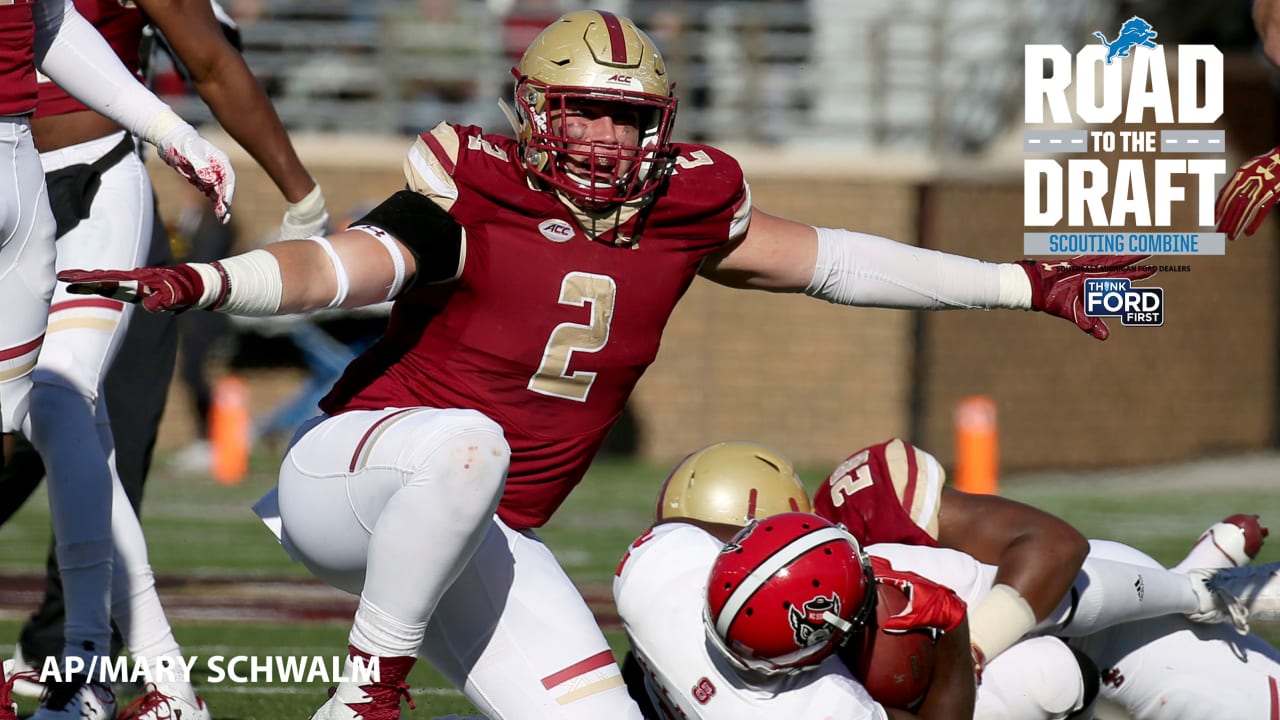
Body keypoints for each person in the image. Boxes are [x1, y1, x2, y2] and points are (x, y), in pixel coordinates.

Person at [58, 10, 1163, 719]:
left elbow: (837, 262)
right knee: (467, 441)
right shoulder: (475, 179)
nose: (597, 136)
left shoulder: (683, 205)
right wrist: (215, 283)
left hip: (490, 528)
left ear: (660, 124)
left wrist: (1019, 282)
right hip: (352, 475)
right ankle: (364, 695)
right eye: (579, 109)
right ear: (533, 111)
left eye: (622, 116)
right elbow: (353, 267)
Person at [615, 442, 974, 720]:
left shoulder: (651, 570)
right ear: (816, 647)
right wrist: (953, 627)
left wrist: (786, 549)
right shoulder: (814, 707)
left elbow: (676, 531)